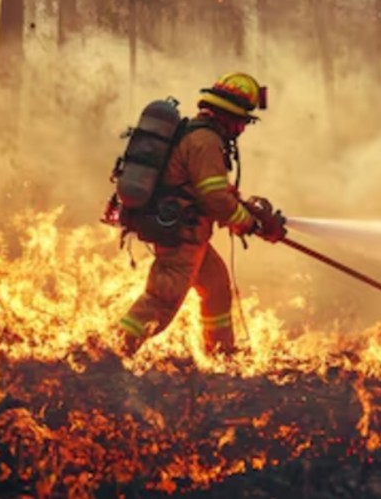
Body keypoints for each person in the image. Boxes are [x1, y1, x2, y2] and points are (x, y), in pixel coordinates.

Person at [115, 72, 287, 357]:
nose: (242, 129)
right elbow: (214, 197)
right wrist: (246, 224)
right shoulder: (206, 142)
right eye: (243, 121)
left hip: (190, 234)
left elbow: (215, 190)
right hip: (181, 235)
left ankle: (221, 354)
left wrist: (253, 215)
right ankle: (112, 351)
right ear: (231, 117)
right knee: (162, 300)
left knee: (216, 288)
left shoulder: (198, 135)